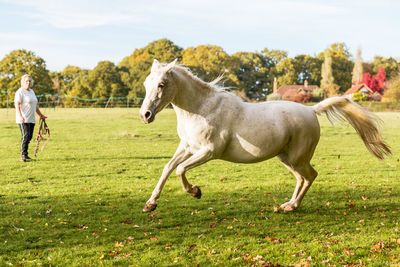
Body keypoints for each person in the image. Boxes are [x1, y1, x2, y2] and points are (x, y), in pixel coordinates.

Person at [14, 74, 47, 162]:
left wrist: (40, 115)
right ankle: (23, 155)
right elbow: (17, 105)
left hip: (31, 119)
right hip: (23, 119)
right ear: (22, 82)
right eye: (26, 81)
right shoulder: (20, 92)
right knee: (25, 136)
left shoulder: (32, 91)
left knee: (29, 137)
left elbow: (35, 105)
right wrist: (20, 116)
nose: (28, 83)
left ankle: (26, 154)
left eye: (29, 81)